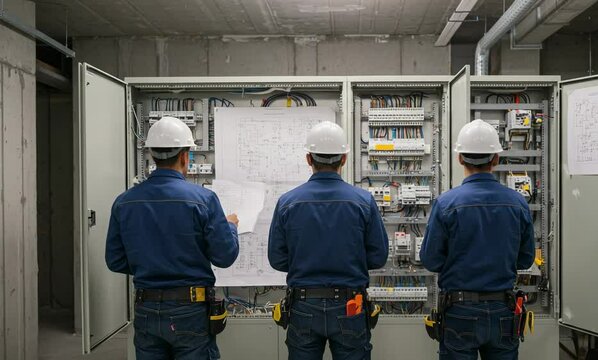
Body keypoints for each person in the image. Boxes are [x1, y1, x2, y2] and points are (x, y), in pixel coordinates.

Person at [105, 116, 240, 360]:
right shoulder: (204, 200)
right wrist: (230, 227)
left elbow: (114, 260)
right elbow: (225, 256)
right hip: (191, 310)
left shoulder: (125, 202)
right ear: (184, 156)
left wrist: (149, 263)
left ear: (152, 156)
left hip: (146, 309)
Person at [268, 121, 389, 360]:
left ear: (308, 159)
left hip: (303, 305)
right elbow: (378, 256)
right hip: (350, 305)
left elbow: (277, 259)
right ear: (344, 159)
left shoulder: (287, 202)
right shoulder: (363, 202)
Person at [420, 119, 535, 360]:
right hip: (503, 309)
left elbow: (430, 260)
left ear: (459, 158)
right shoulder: (517, 203)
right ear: (496, 159)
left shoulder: (446, 204)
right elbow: (525, 259)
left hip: (459, 311)